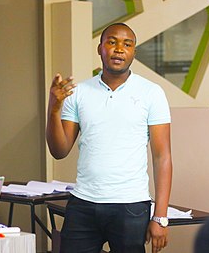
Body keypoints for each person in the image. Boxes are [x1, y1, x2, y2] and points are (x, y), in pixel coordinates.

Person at [46, 23, 172, 253]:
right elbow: (59, 150)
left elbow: (162, 156)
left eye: (127, 44)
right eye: (112, 42)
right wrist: (54, 109)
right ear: (100, 48)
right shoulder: (79, 93)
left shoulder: (151, 93)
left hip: (131, 205)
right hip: (83, 202)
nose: (118, 49)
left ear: (134, 51)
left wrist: (160, 217)